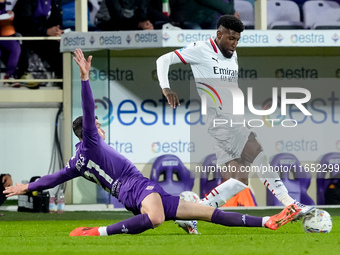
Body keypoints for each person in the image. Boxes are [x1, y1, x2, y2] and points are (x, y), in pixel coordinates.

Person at [4, 48, 300, 236]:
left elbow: (53, 178)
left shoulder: (77, 162)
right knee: (157, 218)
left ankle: (268, 223)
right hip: (136, 187)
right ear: (90, 130)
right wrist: (84, 79)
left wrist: (25, 187)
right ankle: (98, 232)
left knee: (206, 214)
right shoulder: (91, 144)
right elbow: (89, 109)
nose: (100, 126)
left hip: (137, 193)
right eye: (96, 124)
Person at [156, 15, 315, 227]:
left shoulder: (233, 53)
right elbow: (163, 59)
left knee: (240, 180)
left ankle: (190, 216)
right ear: (219, 34)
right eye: (231, 38)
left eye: (238, 39)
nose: (234, 43)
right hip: (222, 120)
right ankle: (290, 204)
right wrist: (166, 88)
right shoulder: (201, 49)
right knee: (260, 155)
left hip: (229, 120)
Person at [12, 0, 64, 88]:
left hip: (43, 35)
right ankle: (22, 73)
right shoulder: (26, 2)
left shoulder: (55, 1)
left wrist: (57, 31)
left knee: (62, 46)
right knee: (26, 41)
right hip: (26, 34)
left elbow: (57, 19)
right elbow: (24, 24)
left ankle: (61, 77)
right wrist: (46, 31)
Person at [0, 0, 21, 87]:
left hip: (4, 32)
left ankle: (10, 75)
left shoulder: (4, 3)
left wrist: (10, 13)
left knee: (15, 48)